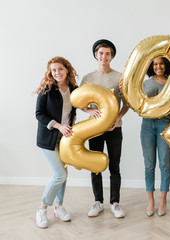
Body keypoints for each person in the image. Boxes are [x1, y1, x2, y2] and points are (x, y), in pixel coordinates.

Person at [81, 39, 128, 219]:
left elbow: (127, 103)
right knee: (96, 165)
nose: (104, 56)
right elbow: (80, 102)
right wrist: (89, 110)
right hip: (94, 128)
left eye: (107, 53)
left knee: (114, 166)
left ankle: (115, 203)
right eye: (101, 53)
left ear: (112, 56)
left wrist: (118, 118)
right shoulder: (87, 78)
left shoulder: (120, 77)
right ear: (96, 55)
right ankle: (98, 202)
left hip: (115, 128)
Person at [35, 56, 78, 228]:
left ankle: (59, 207)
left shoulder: (74, 88)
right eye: (54, 70)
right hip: (48, 138)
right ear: (50, 73)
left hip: (66, 138)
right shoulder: (47, 89)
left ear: (67, 69)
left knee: (63, 174)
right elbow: (39, 114)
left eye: (60, 69)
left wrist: (74, 123)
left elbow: (75, 109)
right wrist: (59, 126)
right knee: (60, 174)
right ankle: (42, 208)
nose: (57, 73)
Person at [140, 56, 170, 217]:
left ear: (166, 66)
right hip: (147, 126)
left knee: (164, 163)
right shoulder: (145, 84)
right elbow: (139, 105)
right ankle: (150, 199)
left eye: (161, 63)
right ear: (152, 66)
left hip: (165, 125)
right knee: (149, 164)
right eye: (155, 64)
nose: (158, 66)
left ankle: (163, 198)